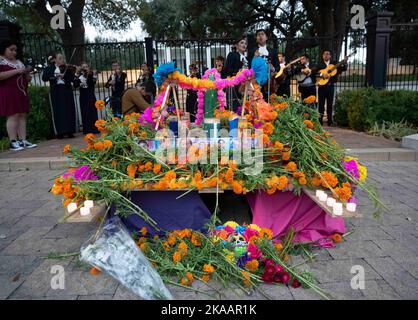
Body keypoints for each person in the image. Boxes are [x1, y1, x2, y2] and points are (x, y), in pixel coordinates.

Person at [0, 40, 37, 151]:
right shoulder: (1, 61)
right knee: (13, 115)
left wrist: (26, 72)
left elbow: (28, 79)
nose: (14, 52)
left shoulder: (19, 62)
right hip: (8, 91)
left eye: (15, 50)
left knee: (22, 115)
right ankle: (13, 141)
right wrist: (17, 71)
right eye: (11, 49)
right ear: (4, 49)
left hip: (21, 91)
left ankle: (23, 140)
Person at [42, 51, 77, 139]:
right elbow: (44, 78)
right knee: (58, 111)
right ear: (54, 60)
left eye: (63, 58)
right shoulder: (49, 68)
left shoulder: (67, 68)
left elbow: (72, 79)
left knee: (69, 109)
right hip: (56, 91)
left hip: (67, 90)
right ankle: (60, 132)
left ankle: (70, 131)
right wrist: (55, 76)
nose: (62, 60)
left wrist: (69, 74)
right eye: (60, 58)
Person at [316, 50, 347, 126]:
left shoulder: (334, 63)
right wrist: (321, 74)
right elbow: (314, 71)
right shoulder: (319, 64)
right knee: (321, 104)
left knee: (330, 104)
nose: (326, 55)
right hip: (322, 87)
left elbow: (343, 69)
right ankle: (320, 121)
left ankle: (330, 121)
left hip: (331, 86)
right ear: (322, 56)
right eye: (324, 54)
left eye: (328, 54)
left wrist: (345, 62)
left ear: (330, 56)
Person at [248, 29, 280, 100]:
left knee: (268, 101)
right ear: (256, 38)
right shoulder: (252, 51)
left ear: (266, 37)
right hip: (256, 81)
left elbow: (278, 67)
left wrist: (273, 68)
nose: (260, 36)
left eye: (262, 34)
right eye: (258, 35)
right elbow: (249, 66)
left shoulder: (273, 51)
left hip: (269, 82)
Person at [73, 62, 99, 134]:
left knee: (92, 112)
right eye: (83, 67)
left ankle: (94, 129)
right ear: (81, 69)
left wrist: (93, 74)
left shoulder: (90, 76)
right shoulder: (79, 77)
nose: (85, 68)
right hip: (83, 96)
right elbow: (75, 85)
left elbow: (93, 82)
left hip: (90, 96)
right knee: (85, 112)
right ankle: (87, 129)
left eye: (86, 67)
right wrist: (77, 74)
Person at [224, 36, 248, 112]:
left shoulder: (246, 58)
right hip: (234, 85)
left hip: (245, 86)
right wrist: (239, 71)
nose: (244, 45)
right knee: (235, 108)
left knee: (244, 106)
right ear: (236, 45)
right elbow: (227, 69)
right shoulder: (232, 55)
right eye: (241, 43)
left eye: (245, 43)